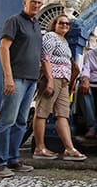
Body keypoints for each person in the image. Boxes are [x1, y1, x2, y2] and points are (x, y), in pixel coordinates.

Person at [0, 0, 44, 177]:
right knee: (7, 120)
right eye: (33, 2)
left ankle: (13, 158)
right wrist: (8, 77)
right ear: (25, 2)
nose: (36, 5)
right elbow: (4, 47)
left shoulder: (36, 24)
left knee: (21, 121)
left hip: (31, 79)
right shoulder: (14, 21)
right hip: (17, 78)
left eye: (39, 3)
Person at [33, 13, 87, 162]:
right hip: (53, 78)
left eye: (67, 24)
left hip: (64, 81)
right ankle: (39, 147)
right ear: (54, 25)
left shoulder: (64, 41)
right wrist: (49, 80)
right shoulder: (51, 36)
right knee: (42, 112)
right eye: (61, 23)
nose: (64, 25)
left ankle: (69, 148)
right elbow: (45, 57)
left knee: (62, 114)